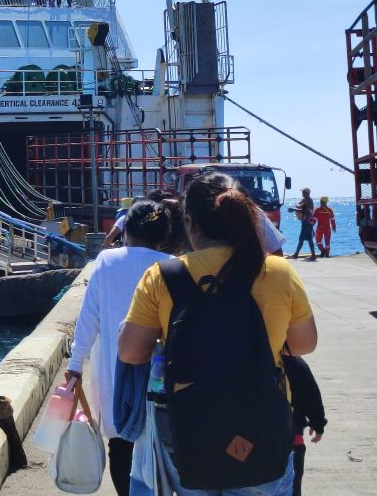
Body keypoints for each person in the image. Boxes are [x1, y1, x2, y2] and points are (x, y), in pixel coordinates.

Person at [118, 172, 318, 496]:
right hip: (263, 424)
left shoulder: (163, 276)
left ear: (190, 223)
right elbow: (304, 344)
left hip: (191, 427)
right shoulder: (278, 272)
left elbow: (130, 352)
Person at [65, 200, 173, 496]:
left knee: (120, 445)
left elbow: (89, 317)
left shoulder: (107, 262)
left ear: (128, 229)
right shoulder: (172, 265)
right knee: (158, 447)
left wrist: (75, 364)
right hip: (161, 374)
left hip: (114, 371)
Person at [281, 346, 326, 496]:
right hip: (293, 440)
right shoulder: (296, 363)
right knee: (293, 486)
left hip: (252, 443)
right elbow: (312, 395)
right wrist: (317, 423)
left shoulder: (249, 362)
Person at [290, 187, 317, 260]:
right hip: (306, 221)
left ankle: (297, 254)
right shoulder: (304, 200)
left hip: (307, 222)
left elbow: (306, 210)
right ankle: (298, 254)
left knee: (303, 238)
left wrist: (293, 209)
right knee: (308, 239)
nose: (302, 193)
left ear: (307, 193)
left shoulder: (309, 200)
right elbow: (301, 207)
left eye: (303, 192)